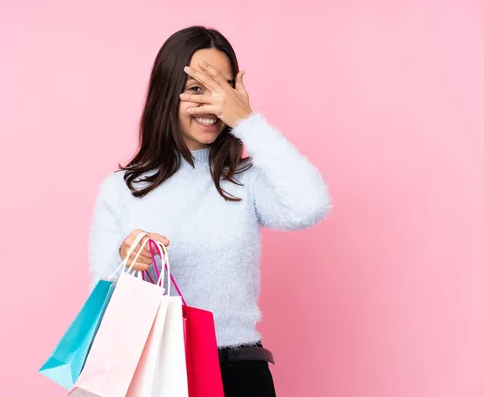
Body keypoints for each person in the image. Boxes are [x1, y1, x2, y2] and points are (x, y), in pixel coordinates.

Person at [88, 25, 332, 396]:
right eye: (197, 89)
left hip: (238, 372)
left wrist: (248, 121)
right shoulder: (122, 189)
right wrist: (126, 261)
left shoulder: (245, 181)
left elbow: (310, 205)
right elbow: (103, 301)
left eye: (223, 89)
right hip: (155, 373)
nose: (212, 105)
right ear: (167, 93)